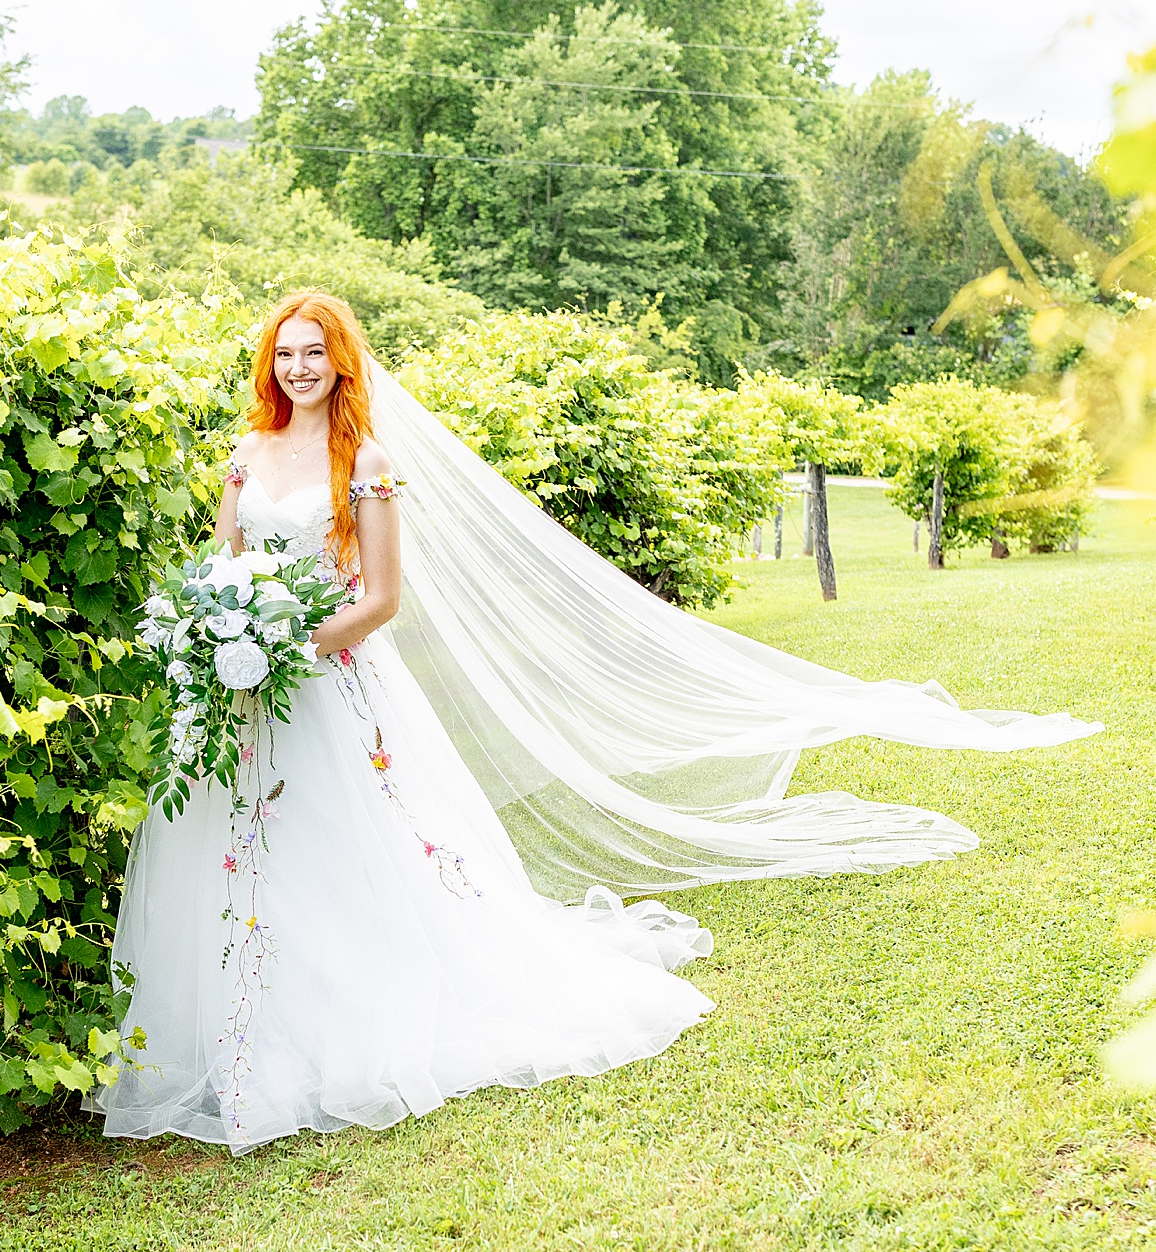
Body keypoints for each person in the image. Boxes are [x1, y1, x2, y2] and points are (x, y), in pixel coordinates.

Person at [86, 290, 1100, 1152]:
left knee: (347, 852)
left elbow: (383, 595)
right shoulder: (246, 453)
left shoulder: (367, 458)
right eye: (285, 354)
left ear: (341, 364)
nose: (299, 366)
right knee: (246, 849)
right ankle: (235, 1031)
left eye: (315, 353)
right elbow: (221, 564)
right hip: (238, 690)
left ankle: (344, 1025)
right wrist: (215, 635)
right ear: (271, 364)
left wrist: (293, 645)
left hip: (329, 679)